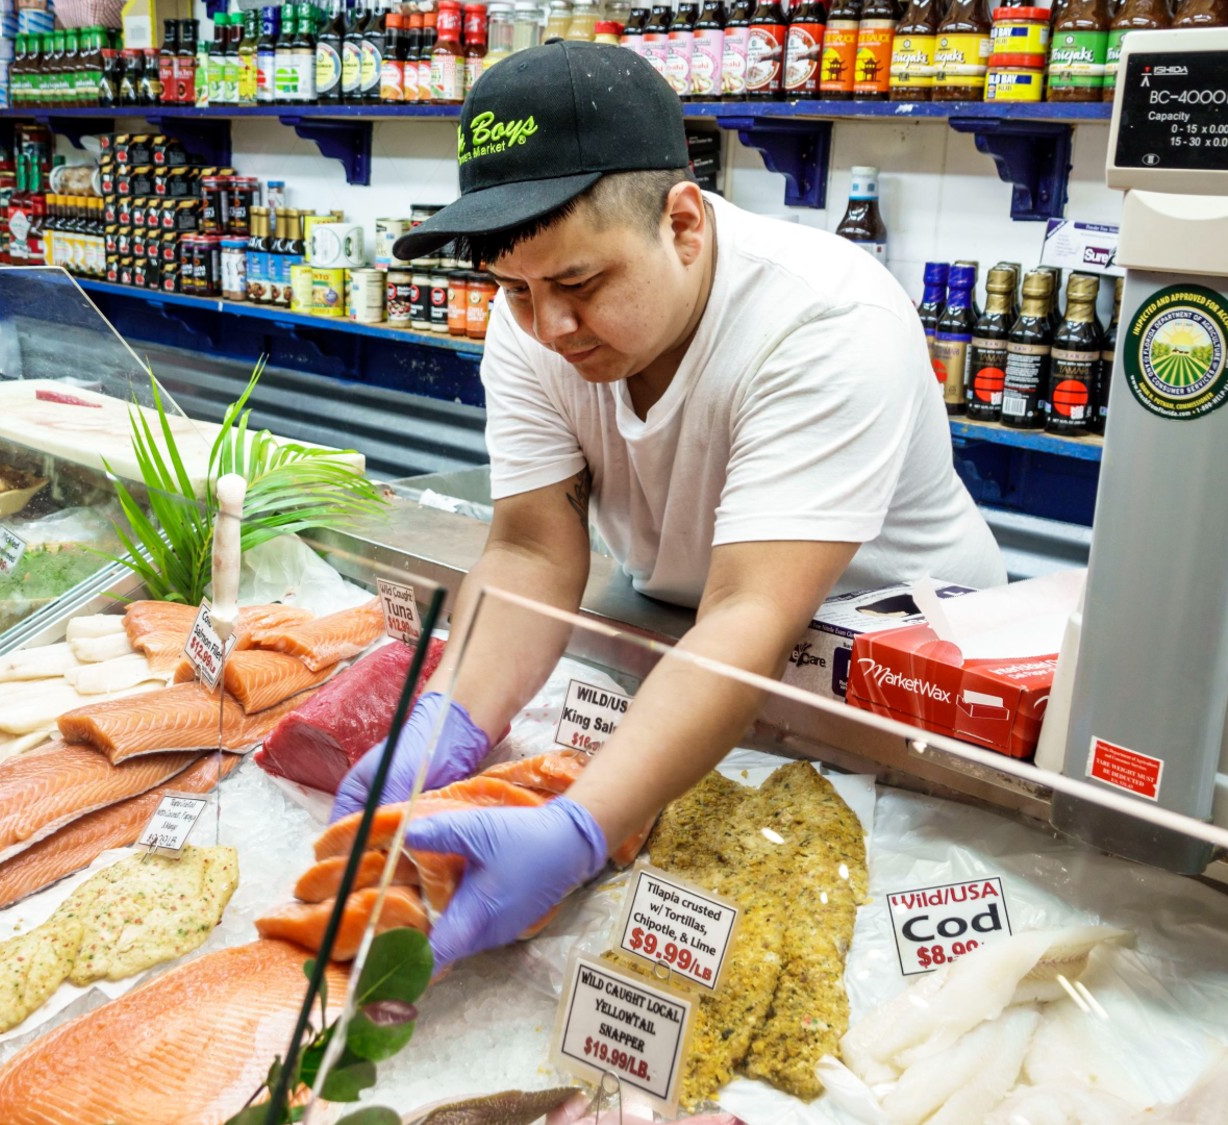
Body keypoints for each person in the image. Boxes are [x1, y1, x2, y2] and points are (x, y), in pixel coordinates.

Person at [338, 40, 1004, 967]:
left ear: (683, 223)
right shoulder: (532, 316)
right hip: (710, 664)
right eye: (516, 291)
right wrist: (448, 719)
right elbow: (532, 552)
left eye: (580, 284)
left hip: (905, 695)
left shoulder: (824, 321)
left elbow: (753, 611)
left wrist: (580, 826)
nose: (549, 327)